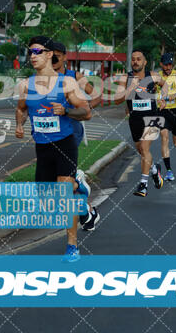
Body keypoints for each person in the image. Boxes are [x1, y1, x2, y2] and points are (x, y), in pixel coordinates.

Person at [15, 36, 92, 262]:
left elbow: (86, 112)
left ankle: (72, 247)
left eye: (38, 51)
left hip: (64, 143)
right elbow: (21, 109)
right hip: (42, 147)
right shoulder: (25, 85)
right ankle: (80, 184)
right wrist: (19, 124)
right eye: (30, 52)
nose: (33, 56)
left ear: (50, 55)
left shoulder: (66, 83)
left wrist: (66, 111)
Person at [52, 41, 101, 231]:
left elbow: (95, 95)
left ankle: (78, 181)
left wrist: (83, 109)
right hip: (50, 135)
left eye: (58, 54)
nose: (54, 58)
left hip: (71, 131)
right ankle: (87, 213)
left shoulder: (75, 76)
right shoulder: (43, 77)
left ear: (64, 57)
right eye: (51, 54)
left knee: (63, 181)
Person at [114, 49, 168, 197]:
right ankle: (154, 170)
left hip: (152, 117)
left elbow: (166, 86)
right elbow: (117, 99)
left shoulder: (153, 76)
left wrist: (163, 99)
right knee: (142, 151)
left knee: (144, 148)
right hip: (135, 120)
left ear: (145, 62)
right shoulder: (126, 78)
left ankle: (143, 184)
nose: (135, 62)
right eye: (133, 59)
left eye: (139, 59)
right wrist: (130, 89)